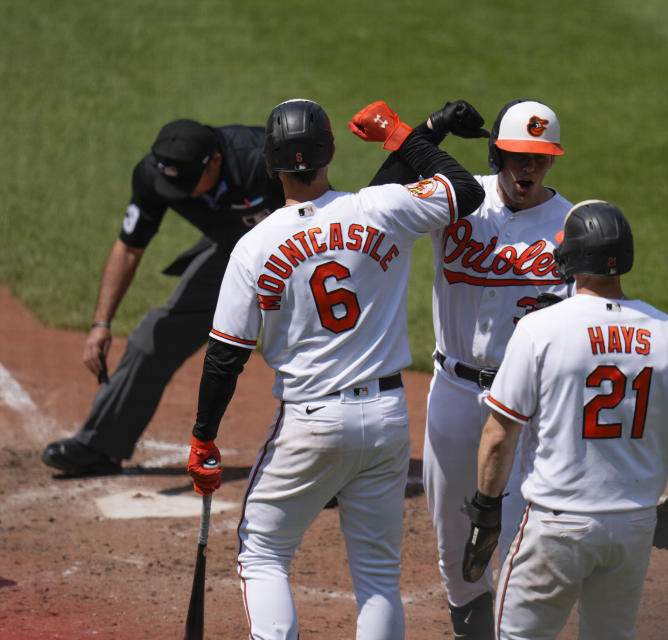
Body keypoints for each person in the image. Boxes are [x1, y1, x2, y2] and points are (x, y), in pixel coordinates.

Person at [185, 98, 484, 640]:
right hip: (388, 417)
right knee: (377, 578)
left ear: (271, 165)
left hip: (309, 420)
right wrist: (410, 133)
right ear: (331, 151)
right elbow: (464, 189)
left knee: (263, 552)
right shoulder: (379, 209)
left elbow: (225, 355)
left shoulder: (253, 247)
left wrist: (203, 437)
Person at [461, 200, 668, 639]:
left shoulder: (541, 328)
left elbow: (500, 435)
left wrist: (485, 511)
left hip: (558, 527)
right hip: (633, 526)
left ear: (571, 258)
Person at [371, 98, 573, 638]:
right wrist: (428, 130)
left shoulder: (572, 226)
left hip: (529, 404)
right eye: (518, 156)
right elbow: (380, 193)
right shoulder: (461, 199)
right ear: (496, 152)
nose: (529, 168)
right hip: (455, 396)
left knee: (513, 542)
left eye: (541, 158)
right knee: (454, 538)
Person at [41, 118, 284, 476]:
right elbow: (128, 249)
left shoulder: (260, 161)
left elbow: (319, 215)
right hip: (233, 254)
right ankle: (101, 445)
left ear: (215, 161)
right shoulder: (155, 176)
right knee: (154, 336)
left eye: (187, 184)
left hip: (297, 258)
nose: (180, 193)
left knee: (306, 348)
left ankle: (333, 461)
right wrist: (100, 323)